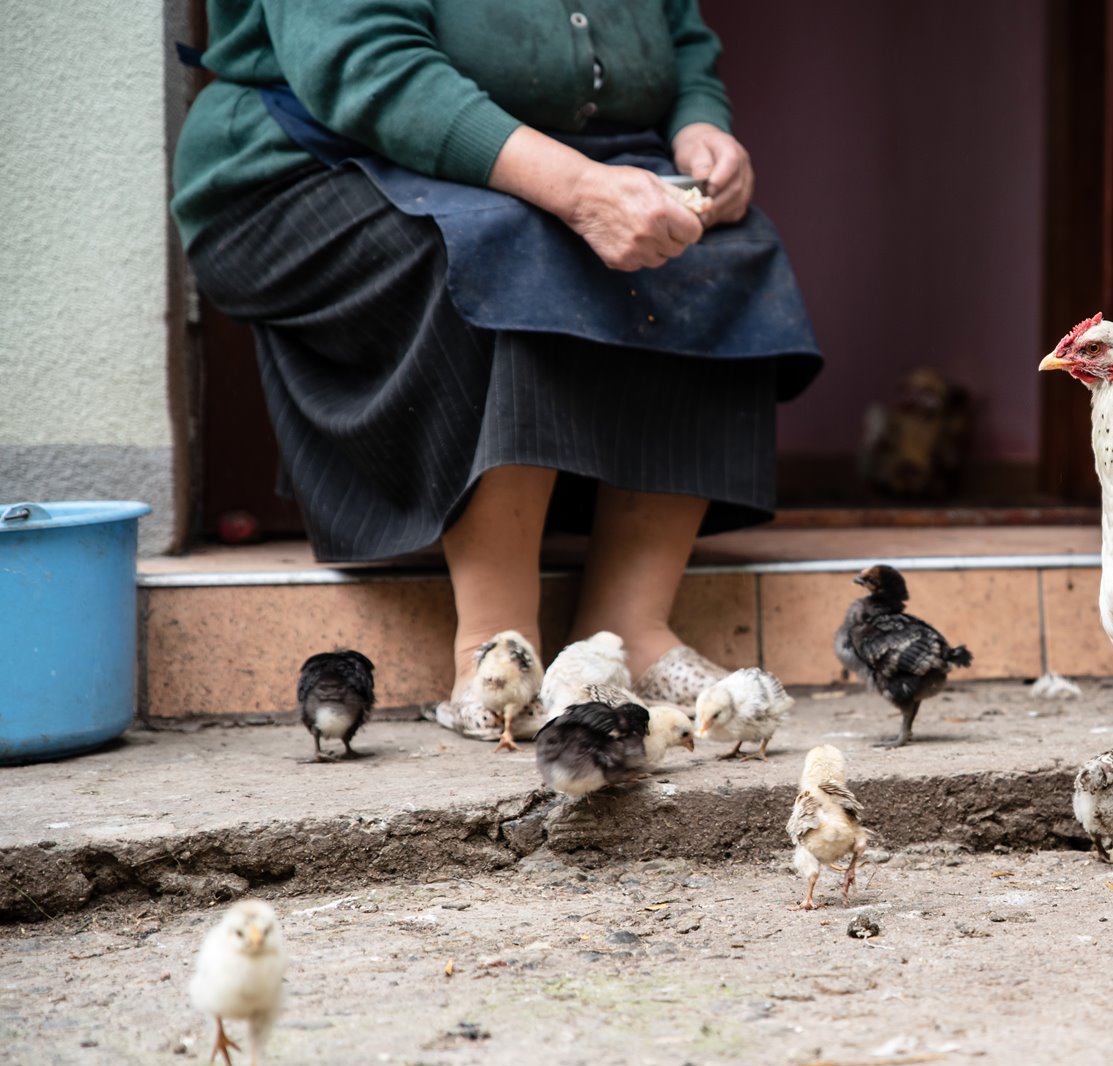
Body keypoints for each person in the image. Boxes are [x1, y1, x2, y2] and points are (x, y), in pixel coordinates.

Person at [171, 1, 823, 731]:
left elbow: (683, 42)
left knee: (711, 248)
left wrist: (698, 126)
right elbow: (370, 66)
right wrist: (575, 188)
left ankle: (631, 627)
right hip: (314, 162)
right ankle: (494, 648)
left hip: (576, 155)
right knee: (518, 244)